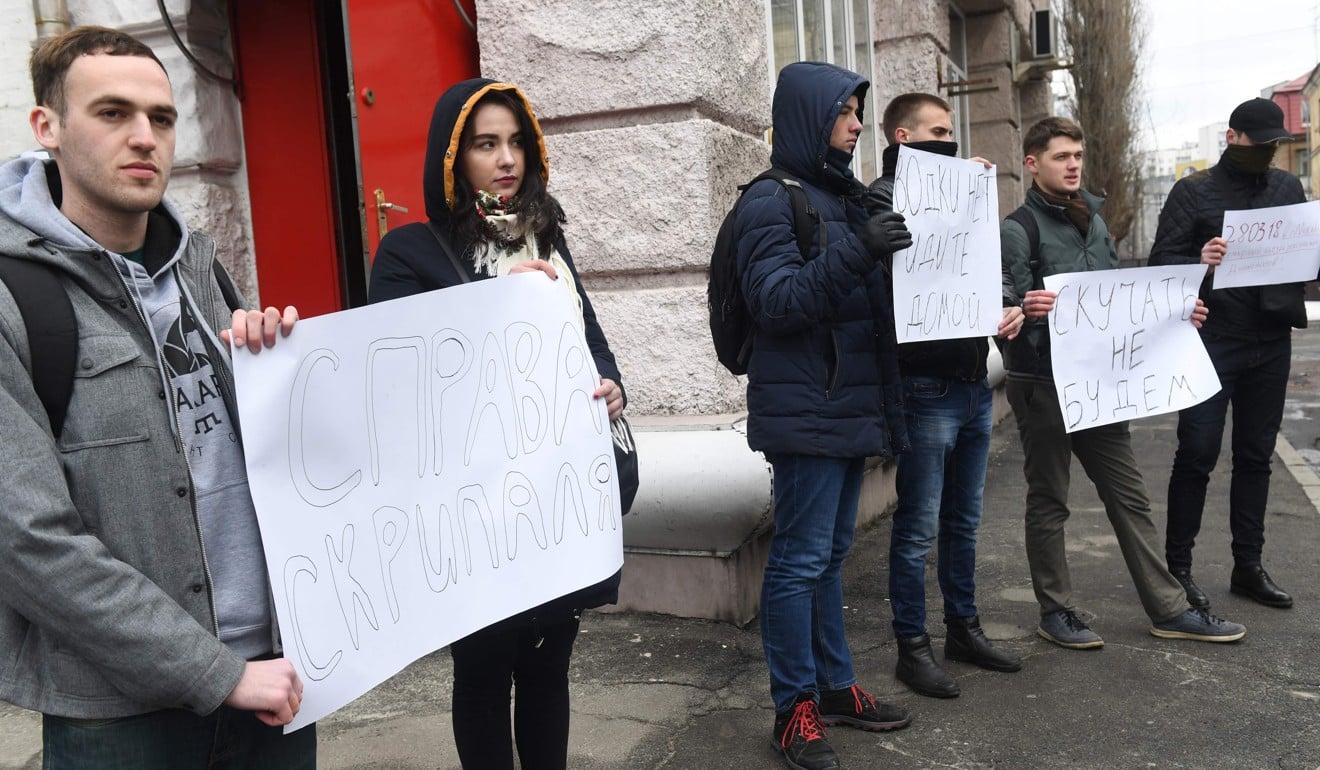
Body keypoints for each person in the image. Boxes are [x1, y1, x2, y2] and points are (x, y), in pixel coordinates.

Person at [0, 26, 309, 768]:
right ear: (48, 127)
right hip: (121, 716)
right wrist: (215, 673)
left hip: (277, 679)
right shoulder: (12, 297)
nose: (144, 137)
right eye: (112, 113)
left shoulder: (201, 269)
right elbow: (27, 540)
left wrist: (511, 332)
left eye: (162, 118)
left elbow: (290, 465)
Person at [368, 78, 626, 770]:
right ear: (454, 160)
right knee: (484, 674)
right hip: (474, 514)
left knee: (548, 666)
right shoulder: (409, 254)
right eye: (486, 144)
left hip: (556, 504)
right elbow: (402, 384)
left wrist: (611, 386)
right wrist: (501, 308)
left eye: (515, 142)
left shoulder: (546, 238)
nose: (506, 158)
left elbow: (587, 335)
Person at [1000, 116, 1247, 651]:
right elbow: (1003, 308)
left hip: (1101, 383)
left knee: (1129, 496)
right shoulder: (1017, 229)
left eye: (1078, 155)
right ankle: (1057, 611)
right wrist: (1025, 307)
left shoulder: (1093, 221)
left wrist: (1177, 311)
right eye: (1062, 156)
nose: (1073, 164)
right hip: (1042, 383)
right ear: (1032, 162)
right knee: (1050, 500)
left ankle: (1169, 608)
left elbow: (1121, 300)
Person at [736, 61, 913, 770]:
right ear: (811, 114)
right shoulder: (768, 202)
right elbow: (776, 301)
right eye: (845, 110)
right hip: (807, 412)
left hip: (843, 407)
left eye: (860, 112)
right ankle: (793, 710)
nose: (857, 123)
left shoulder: (839, 196)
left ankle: (835, 687)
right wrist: (860, 247)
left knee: (829, 559)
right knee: (798, 564)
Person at [867, 93, 1024, 699]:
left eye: (952, 132)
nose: (949, 142)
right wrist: (954, 197)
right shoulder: (881, 196)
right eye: (937, 132)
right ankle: (913, 646)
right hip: (923, 387)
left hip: (972, 384)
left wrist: (1006, 307)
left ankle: (964, 628)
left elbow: (986, 272)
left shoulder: (965, 192)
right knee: (916, 526)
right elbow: (899, 271)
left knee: (964, 521)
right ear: (903, 137)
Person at [1148, 97, 1309, 611]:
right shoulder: (1192, 191)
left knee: (1256, 457)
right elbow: (1160, 267)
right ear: (1232, 138)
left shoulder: (1287, 188)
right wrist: (1201, 261)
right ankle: (1177, 570)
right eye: (1258, 144)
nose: (1267, 152)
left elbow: (1303, 253)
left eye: (1273, 145)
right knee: (1196, 454)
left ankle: (1248, 566)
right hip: (1211, 343)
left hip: (1270, 341)